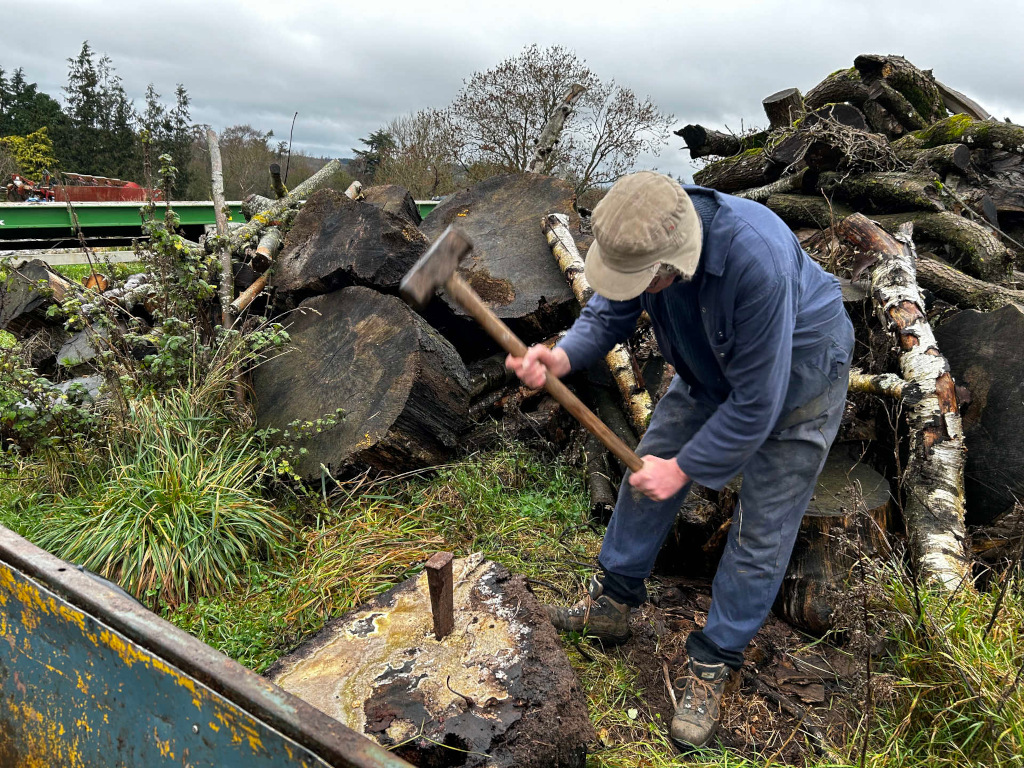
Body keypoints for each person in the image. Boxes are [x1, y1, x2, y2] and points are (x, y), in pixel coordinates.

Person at [505, 171, 854, 749]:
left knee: (762, 524)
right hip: (708, 365)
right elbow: (607, 314)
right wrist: (562, 357)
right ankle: (612, 602)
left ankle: (715, 659)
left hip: (800, 375)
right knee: (647, 470)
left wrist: (687, 469)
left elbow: (757, 403)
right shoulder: (639, 233)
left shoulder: (755, 260)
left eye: (644, 280)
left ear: (675, 263)